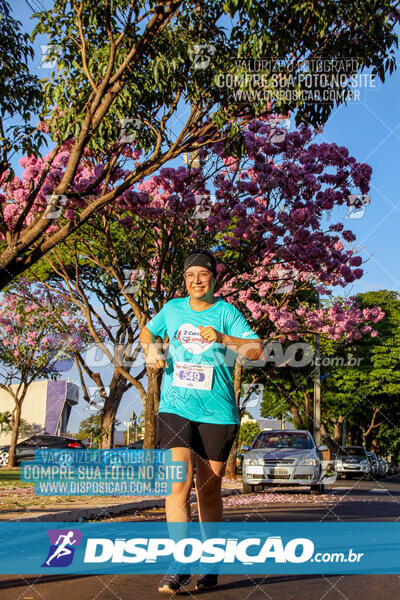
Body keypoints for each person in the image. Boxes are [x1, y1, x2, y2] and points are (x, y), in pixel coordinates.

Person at [139, 249, 264, 594]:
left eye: (203, 274)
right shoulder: (172, 309)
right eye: (190, 274)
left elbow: (256, 350)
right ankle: (179, 562)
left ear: (213, 278)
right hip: (175, 407)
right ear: (184, 280)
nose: (196, 280)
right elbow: (148, 333)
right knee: (177, 484)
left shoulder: (227, 312)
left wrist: (225, 339)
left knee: (208, 491)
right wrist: (152, 351)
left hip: (217, 412)